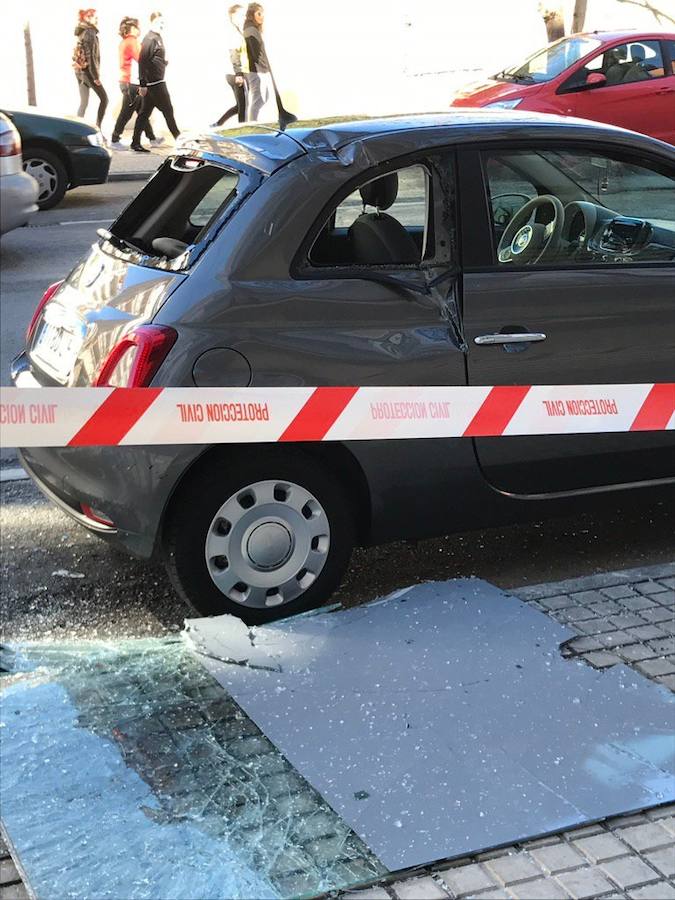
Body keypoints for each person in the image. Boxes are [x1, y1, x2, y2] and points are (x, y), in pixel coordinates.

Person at [131, 11, 180, 153]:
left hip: (155, 82)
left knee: (144, 114)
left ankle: (135, 142)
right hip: (155, 84)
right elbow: (142, 61)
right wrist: (142, 84)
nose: (162, 25)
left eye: (163, 23)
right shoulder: (150, 39)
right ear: (152, 22)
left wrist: (163, 63)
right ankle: (179, 139)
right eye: (159, 22)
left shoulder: (158, 37)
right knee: (168, 111)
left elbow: (154, 58)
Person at [111, 17, 162, 150]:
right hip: (130, 82)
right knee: (127, 112)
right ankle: (115, 139)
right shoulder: (131, 42)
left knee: (142, 111)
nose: (139, 30)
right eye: (136, 27)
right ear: (131, 29)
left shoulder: (125, 41)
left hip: (127, 81)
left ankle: (152, 138)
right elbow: (142, 57)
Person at [212, 5, 248, 127]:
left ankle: (218, 124)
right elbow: (233, 53)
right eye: (241, 15)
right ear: (233, 16)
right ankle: (243, 129)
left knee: (240, 105)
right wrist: (239, 73)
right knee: (242, 106)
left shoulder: (236, 30)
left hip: (233, 73)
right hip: (235, 74)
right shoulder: (233, 32)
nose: (244, 17)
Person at [73, 8, 108, 131]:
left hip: (79, 72)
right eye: (94, 16)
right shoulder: (90, 32)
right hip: (88, 73)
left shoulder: (81, 32)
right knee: (104, 99)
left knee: (84, 103)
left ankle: (75, 130)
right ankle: (98, 128)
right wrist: (96, 77)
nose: (96, 18)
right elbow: (90, 56)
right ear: (87, 18)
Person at [243, 3, 274, 121]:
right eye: (259, 13)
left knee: (262, 98)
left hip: (258, 69)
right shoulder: (250, 29)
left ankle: (253, 121)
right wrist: (264, 68)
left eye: (262, 14)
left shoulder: (252, 28)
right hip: (255, 70)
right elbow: (255, 53)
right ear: (252, 14)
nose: (262, 16)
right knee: (258, 99)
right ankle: (252, 123)